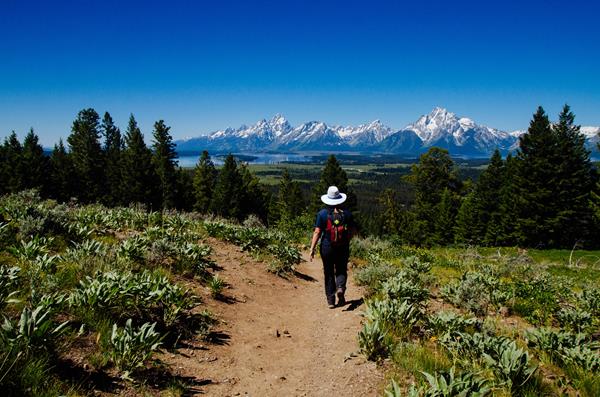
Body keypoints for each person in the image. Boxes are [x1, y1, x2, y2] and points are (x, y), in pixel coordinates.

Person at [309, 185, 355, 308]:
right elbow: (351, 231)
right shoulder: (347, 214)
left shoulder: (323, 214)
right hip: (342, 246)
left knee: (328, 272)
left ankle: (330, 300)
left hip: (327, 247)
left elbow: (317, 232)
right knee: (341, 269)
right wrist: (346, 241)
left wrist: (312, 248)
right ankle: (340, 287)